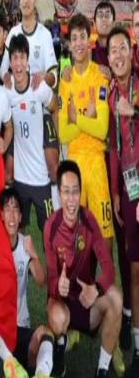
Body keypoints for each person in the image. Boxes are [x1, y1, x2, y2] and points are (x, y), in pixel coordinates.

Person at [44, 160, 122, 378]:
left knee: (116, 299)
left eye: (75, 191)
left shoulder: (89, 220)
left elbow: (108, 267)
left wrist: (96, 288)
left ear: (80, 192)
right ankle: (59, 350)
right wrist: (58, 286)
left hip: (87, 304)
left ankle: (101, 374)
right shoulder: (50, 226)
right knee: (56, 316)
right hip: (63, 305)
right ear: (59, 194)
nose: (71, 199)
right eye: (66, 192)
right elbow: (51, 279)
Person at [0, 187, 64, 378]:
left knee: (46, 334)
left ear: (21, 217)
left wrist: (34, 255)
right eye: (7, 209)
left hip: (20, 325)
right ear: (1, 215)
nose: (12, 215)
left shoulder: (24, 244)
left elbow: (40, 281)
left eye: (16, 210)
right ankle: (12, 365)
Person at [58, 14, 113, 249]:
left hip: (97, 164)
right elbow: (63, 134)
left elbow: (101, 129)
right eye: (74, 38)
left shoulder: (100, 75)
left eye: (82, 37)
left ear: (88, 40)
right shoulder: (65, 81)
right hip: (74, 165)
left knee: (105, 235)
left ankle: (107, 275)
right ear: (69, 43)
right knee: (76, 238)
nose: (79, 43)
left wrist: (77, 119)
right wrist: (87, 118)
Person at [107, 26, 139, 378]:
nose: (117, 55)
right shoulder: (112, 93)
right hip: (127, 189)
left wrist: (136, 110)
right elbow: (115, 148)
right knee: (132, 263)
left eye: (122, 48)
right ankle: (133, 334)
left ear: (131, 51)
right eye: (112, 50)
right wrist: (116, 192)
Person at [6, 34, 58, 232]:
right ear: (10, 62)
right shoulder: (7, 90)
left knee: (49, 235)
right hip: (20, 180)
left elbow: (54, 107)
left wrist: (55, 141)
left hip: (41, 178)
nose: (18, 63)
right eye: (14, 58)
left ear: (27, 60)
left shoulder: (39, 87)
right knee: (18, 232)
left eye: (22, 57)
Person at [92, 1, 115, 69]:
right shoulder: (89, 55)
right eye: (100, 16)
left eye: (107, 16)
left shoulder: (121, 53)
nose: (104, 19)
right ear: (94, 24)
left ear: (113, 23)